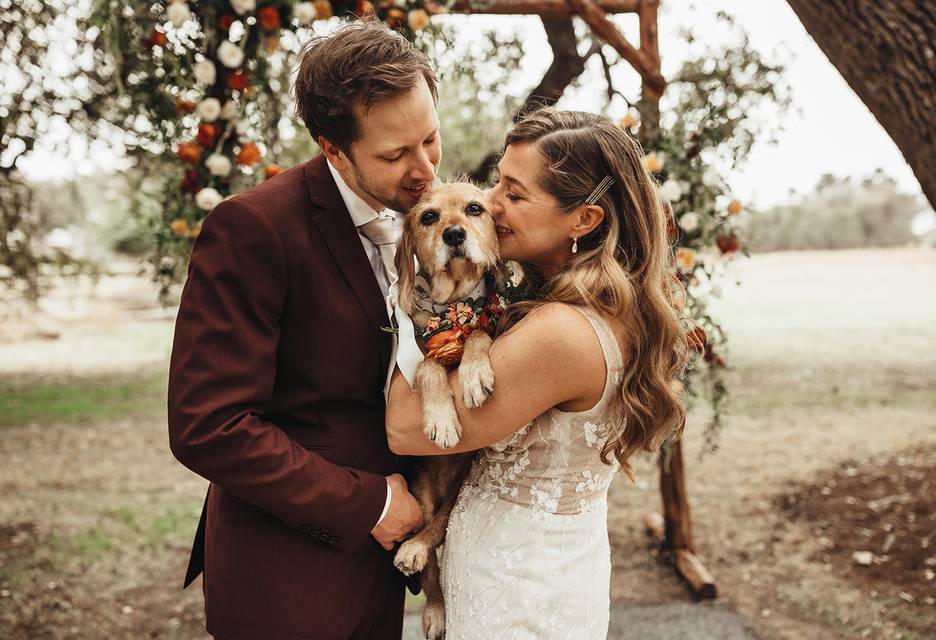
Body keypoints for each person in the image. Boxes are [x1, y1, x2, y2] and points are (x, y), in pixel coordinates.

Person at [167, 20, 440, 640]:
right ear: (332, 148)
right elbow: (208, 426)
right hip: (286, 584)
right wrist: (368, 503)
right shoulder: (254, 230)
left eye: (431, 139)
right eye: (396, 154)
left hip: (381, 576)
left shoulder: (421, 217)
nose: (424, 169)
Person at [386, 108, 689, 639]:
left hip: (517, 593)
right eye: (499, 181)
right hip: (540, 570)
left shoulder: (559, 332)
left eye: (516, 193)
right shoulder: (572, 304)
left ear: (583, 220)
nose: (495, 204)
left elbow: (406, 428)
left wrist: (400, 325)